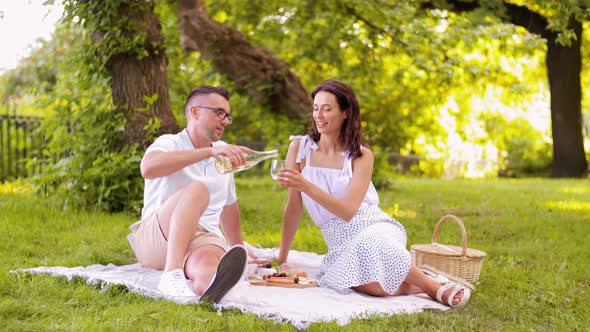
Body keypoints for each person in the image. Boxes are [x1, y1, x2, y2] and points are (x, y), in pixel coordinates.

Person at [275, 80, 471, 308]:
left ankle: (433, 288)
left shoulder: (361, 156)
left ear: (345, 112)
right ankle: (423, 277)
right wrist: (282, 256)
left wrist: (306, 185)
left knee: (370, 243)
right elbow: (294, 207)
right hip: (338, 240)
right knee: (374, 288)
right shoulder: (299, 149)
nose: (319, 114)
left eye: (327, 109)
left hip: (371, 225)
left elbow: (348, 211)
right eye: (316, 108)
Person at [127, 86, 255, 303]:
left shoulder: (224, 153)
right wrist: (208, 152)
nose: (225, 120)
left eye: (227, 115)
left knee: (209, 270)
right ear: (195, 112)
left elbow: (228, 206)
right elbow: (148, 168)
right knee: (198, 190)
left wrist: (238, 246)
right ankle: (171, 273)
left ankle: (208, 288)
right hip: (157, 237)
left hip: (201, 238)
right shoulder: (170, 142)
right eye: (219, 112)